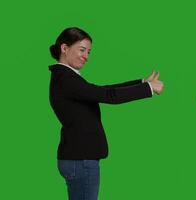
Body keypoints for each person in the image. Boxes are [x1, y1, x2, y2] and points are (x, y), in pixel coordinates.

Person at [48, 27, 163, 200]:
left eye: (88, 52)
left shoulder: (66, 78)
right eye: (82, 50)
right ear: (64, 48)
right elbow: (108, 96)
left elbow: (102, 90)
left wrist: (141, 82)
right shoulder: (66, 79)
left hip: (77, 159)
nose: (86, 56)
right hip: (81, 160)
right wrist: (148, 89)